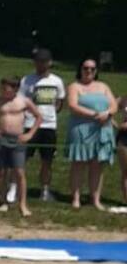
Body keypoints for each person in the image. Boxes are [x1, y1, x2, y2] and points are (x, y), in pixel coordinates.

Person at [0, 77, 38, 219]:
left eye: (6, 88)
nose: (3, 91)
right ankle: (3, 200)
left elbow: (38, 116)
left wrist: (30, 134)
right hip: (1, 138)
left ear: (15, 89)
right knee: (1, 171)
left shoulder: (23, 101)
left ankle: (22, 204)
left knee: (19, 172)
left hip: (17, 139)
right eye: (2, 88)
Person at [65, 59, 117, 211]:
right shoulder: (75, 86)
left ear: (96, 71)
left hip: (102, 129)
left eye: (92, 69)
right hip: (81, 129)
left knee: (98, 165)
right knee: (79, 164)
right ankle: (76, 198)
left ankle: (95, 199)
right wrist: (94, 115)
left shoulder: (103, 86)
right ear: (80, 69)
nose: (89, 71)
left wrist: (108, 113)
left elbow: (114, 104)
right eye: (86, 68)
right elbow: (73, 106)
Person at [20, 49, 67, 202]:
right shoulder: (27, 80)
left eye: (44, 61)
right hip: (30, 124)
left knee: (47, 160)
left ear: (50, 62)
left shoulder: (57, 81)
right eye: (38, 61)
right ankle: (16, 186)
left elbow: (60, 102)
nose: (41, 64)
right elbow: (21, 101)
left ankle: (45, 190)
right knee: (22, 158)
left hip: (49, 126)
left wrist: (51, 114)